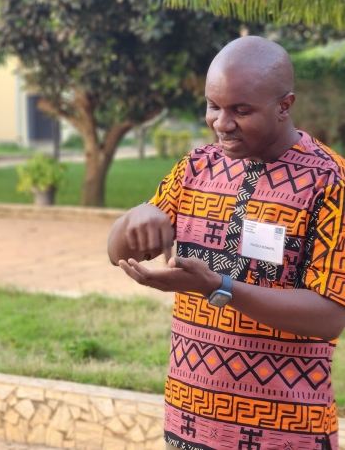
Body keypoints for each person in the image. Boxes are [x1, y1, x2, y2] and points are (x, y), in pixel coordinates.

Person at [108, 36, 345, 450]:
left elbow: (329, 316)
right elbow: (118, 252)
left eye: (241, 110)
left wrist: (220, 288)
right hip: (188, 423)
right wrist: (135, 217)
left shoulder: (329, 181)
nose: (221, 122)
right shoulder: (196, 168)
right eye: (213, 106)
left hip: (284, 434)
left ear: (284, 106)